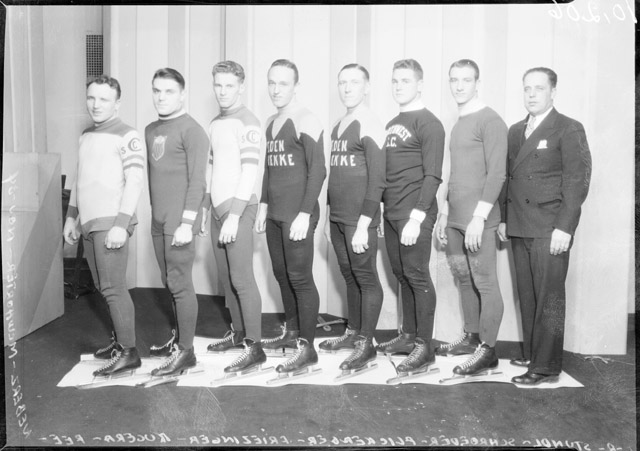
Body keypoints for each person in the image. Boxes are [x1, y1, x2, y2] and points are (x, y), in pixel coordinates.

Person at [498, 67, 591, 386]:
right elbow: (508, 178)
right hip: (520, 224)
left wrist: (565, 227)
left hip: (550, 227)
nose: (532, 94)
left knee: (549, 298)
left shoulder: (568, 128)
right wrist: (504, 218)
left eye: (539, 88)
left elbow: (577, 181)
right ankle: (532, 354)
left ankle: (546, 366)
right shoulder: (515, 130)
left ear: (553, 92)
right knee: (527, 295)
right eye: (527, 88)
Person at [63, 75, 146, 377]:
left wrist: (121, 224)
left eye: (104, 99)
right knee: (102, 286)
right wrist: (71, 216)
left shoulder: (127, 134)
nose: (96, 105)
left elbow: (135, 181)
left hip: (111, 222)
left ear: (117, 103)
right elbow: (80, 178)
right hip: (90, 222)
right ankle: (119, 342)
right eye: (91, 98)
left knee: (113, 288)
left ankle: (129, 353)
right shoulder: (86, 134)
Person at [434, 59, 507, 377]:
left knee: (485, 283)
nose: (459, 86)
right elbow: (456, 173)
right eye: (454, 80)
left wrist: (479, 217)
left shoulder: (491, 120)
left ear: (478, 83)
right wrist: (444, 212)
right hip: (455, 220)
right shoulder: (459, 122)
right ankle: (472, 337)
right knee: (464, 278)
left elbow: (497, 174)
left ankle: (488, 351)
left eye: (466, 80)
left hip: (479, 222)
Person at [256, 59, 326, 376]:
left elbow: (318, 170)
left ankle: (307, 349)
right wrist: (263, 205)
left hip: (298, 214)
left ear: (296, 86)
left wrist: (305, 213)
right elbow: (270, 171)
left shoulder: (306, 119)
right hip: (276, 214)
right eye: (272, 82)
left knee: (300, 278)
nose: (276, 89)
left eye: (283, 83)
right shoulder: (271, 121)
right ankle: (293, 331)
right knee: (282, 275)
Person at [377, 59, 445, 375]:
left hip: (414, 212)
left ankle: (424, 346)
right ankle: (408, 336)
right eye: (395, 81)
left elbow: (433, 175)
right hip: (392, 211)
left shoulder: (430, 123)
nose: (399, 86)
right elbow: (387, 172)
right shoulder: (392, 123)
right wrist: (381, 208)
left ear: (420, 84)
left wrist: (417, 217)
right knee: (401, 274)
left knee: (417, 275)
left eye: (405, 81)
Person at [200, 61, 266, 374]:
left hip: (238, 208)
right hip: (217, 209)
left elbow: (250, 172)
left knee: (242, 279)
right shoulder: (215, 122)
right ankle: (239, 333)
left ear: (241, 87)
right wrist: (205, 208)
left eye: (229, 86)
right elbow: (211, 169)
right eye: (218, 85)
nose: (223, 92)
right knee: (227, 279)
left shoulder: (248, 121)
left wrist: (234, 216)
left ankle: (255, 348)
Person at [321, 63, 386, 373]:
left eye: (354, 82)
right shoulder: (338, 124)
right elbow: (334, 176)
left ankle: (367, 343)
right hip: (337, 217)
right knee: (349, 275)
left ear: (367, 87)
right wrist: (327, 217)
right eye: (342, 82)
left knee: (366, 277)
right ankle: (354, 332)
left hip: (359, 220)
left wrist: (363, 224)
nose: (347, 88)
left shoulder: (370, 123)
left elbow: (378, 180)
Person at [144, 68, 209, 377]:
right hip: (158, 219)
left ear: (182, 94)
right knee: (168, 282)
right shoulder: (150, 129)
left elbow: (198, 182)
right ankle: (179, 340)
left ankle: (186, 352)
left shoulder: (193, 130)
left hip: (180, 220)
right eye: (157, 90)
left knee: (181, 284)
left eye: (169, 91)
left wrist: (187, 222)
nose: (161, 97)